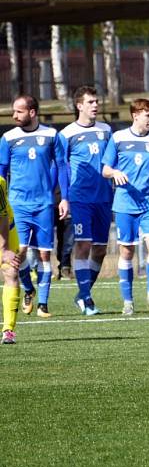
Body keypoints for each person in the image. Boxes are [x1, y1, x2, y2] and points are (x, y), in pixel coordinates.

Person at [102, 98, 149, 315]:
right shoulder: (118, 138)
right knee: (126, 251)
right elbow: (105, 169)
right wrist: (115, 173)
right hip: (125, 204)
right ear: (135, 115)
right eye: (148, 115)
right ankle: (128, 301)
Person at [0, 94, 69, 319]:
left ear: (32, 112)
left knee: (44, 255)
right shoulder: (8, 138)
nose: (14, 116)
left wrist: (64, 198)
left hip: (44, 204)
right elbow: (1, 173)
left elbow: (61, 165)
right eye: (14, 111)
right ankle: (28, 289)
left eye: (18, 111)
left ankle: (43, 303)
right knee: (19, 253)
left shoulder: (51, 135)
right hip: (18, 204)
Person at [57, 85, 113, 315]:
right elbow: (61, 167)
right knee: (83, 244)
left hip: (104, 197)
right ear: (79, 105)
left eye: (97, 101)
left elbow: (112, 161)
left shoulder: (107, 130)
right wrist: (64, 197)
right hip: (80, 198)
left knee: (100, 250)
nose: (96, 105)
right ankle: (87, 300)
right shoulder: (66, 134)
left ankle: (81, 294)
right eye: (91, 102)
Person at [0, 174, 21, 344]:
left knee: (10, 270)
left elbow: (2, 217)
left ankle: (8, 329)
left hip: (4, 226)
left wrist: (4, 249)